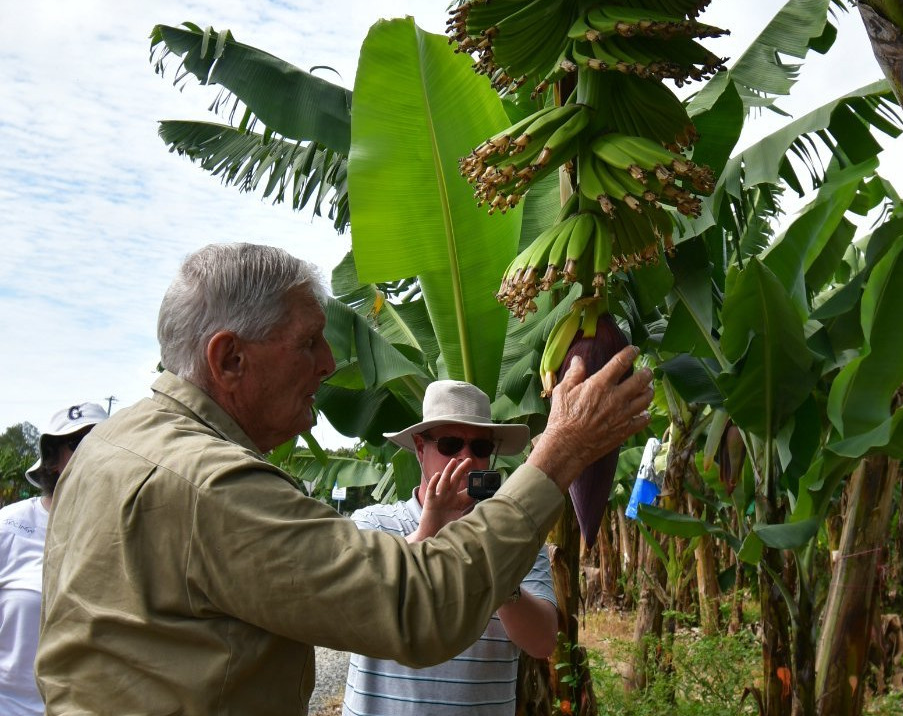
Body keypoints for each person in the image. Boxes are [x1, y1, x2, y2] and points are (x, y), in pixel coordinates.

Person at [38, 242, 652, 716]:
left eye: (481, 446)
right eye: (308, 343)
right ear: (229, 358)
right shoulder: (210, 486)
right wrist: (560, 451)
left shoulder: (108, 446)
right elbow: (418, 605)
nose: (330, 363)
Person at [343, 380, 558, 716]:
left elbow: (543, 641)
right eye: (451, 443)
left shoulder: (518, 536)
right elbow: (356, 605)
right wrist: (432, 527)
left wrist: (497, 564)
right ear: (419, 447)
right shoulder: (374, 523)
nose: (466, 458)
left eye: (480, 447)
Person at [0, 402, 107, 716]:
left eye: (101, 441)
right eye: (78, 443)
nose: (93, 452)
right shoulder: (10, 526)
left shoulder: (124, 529)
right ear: (53, 459)